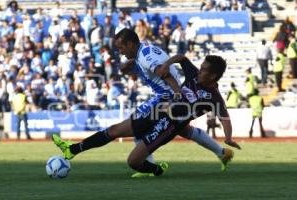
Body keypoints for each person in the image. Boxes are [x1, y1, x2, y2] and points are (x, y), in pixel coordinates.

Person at [52, 29, 239, 176]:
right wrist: (135, 68)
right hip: (169, 108)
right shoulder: (146, 55)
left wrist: (175, 93)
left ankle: (76, 150)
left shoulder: (147, 55)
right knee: (170, 129)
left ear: (131, 44)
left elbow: (162, 72)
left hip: (164, 101)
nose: (120, 52)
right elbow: (178, 60)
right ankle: (221, 153)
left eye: (121, 47)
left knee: (124, 132)